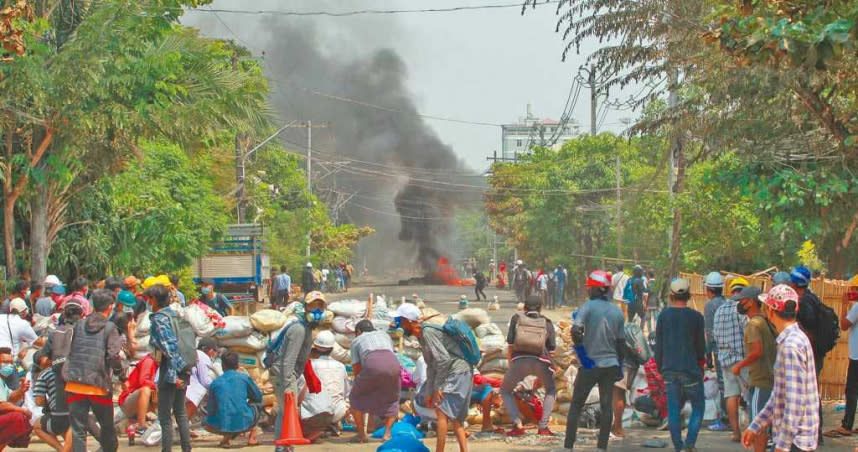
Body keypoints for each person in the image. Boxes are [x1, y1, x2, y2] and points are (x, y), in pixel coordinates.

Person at [741, 284, 819, 452]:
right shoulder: (796, 339)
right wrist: (755, 426)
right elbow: (779, 395)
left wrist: (782, 446)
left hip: (795, 441)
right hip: (795, 438)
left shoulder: (791, 346)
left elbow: (794, 403)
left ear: (769, 311)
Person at [556, 270, 624, 452]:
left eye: (589, 288)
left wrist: (583, 356)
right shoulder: (617, 311)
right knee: (606, 405)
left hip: (591, 364)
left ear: (596, 289)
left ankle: (568, 447)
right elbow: (621, 342)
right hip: (610, 365)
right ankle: (601, 448)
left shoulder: (587, 307)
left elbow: (576, 331)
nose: (587, 291)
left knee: (576, 404)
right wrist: (620, 365)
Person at [396, 302, 472, 452]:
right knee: (456, 419)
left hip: (457, 371)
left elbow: (443, 360)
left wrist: (439, 387)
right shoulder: (422, 337)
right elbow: (431, 366)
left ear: (408, 321)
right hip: (459, 372)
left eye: (400, 321)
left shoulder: (428, 333)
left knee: (442, 413)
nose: (399, 325)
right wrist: (430, 391)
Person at [63, 289, 124, 452]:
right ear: (110, 307)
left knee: (78, 430)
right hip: (98, 385)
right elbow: (114, 356)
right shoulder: (110, 328)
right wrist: (122, 376)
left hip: (74, 384)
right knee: (107, 428)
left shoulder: (79, 324)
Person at [269, 291, 326, 452]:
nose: (317, 312)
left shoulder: (306, 329)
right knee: (287, 410)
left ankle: (283, 447)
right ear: (305, 308)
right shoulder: (299, 329)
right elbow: (288, 359)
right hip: (284, 374)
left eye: (320, 308)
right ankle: (282, 448)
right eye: (313, 307)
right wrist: (288, 384)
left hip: (287, 374)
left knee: (285, 411)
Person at [655, 278, 706, 452]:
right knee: (698, 407)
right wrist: (701, 364)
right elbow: (701, 346)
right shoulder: (696, 317)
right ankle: (689, 444)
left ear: (671, 295)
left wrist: (660, 367)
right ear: (689, 295)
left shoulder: (663, 316)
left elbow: (659, 345)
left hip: (669, 370)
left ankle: (678, 446)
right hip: (691, 370)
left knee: (674, 409)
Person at [501, 297, 557, 436]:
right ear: (540, 308)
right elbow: (552, 350)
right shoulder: (547, 322)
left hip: (519, 361)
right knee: (551, 390)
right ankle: (543, 427)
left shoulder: (516, 318)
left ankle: (517, 425)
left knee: (505, 391)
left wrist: (512, 366)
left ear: (524, 308)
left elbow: (510, 345)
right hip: (541, 362)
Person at [147, 284, 192, 452]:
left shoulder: (159, 319)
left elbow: (170, 348)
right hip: (184, 366)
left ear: (154, 300)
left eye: (149, 298)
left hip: (171, 368)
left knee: (165, 417)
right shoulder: (175, 315)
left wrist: (174, 376)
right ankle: (186, 448)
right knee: (180, 412)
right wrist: (184, 371)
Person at [731, 285, 776, 452]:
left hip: (760, 380)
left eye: (742, 300)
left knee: (757, 425)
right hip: (769, 378)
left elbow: (757, 351)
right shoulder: (765, 321)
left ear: (751, 302)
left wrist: (739, 366)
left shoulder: (753, 325)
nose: (740, 304)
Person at [349, 319, 400, 442]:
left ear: (358, 331)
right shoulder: (385, 335)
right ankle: (387, 434)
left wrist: (360, 386)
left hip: (373, 363)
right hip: (394, 365)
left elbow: (357, 369)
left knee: (355, 398)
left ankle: (362, 435)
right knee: (392, 398)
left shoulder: (356, 340)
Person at [713, 278, 749, 442]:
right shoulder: (741, 310)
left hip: (725, 360)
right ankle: (751, 432)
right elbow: (747, 334)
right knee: (750, 396)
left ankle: (735, 433)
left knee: (731, 395)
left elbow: (715, 336)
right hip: (742, 361)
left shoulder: (720, 310)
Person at [204, 350, 262, 447]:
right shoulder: (244, 378)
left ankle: (226, 438)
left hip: (222, 425)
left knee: (206, 421)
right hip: (245, 422)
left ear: (222, 366)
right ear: (237, 364)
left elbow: (211, 409)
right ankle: (252, 437)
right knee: (258, 403)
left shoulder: (215, 382)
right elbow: (258, 396)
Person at [304, 331, 349, 438]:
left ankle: (315, 428)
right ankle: (332, 424)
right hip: (338, 412)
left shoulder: (310, 365)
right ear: (332, 349)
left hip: (316, 414)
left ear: (314, 348)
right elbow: (346, 392)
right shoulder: (341, 366)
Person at [701, 271, 730, 432]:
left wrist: (708, 356)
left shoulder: (710, 306)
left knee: (723, 384)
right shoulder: (726, 303)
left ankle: (724, 419)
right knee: (730, 384)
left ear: (709, 289)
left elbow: (709, 333)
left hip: (719, 351)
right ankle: (730, 417)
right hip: (731, 351)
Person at [831, 285, 858, 438]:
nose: (852, 292)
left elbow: (844, 325)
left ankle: (847, 425)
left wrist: (844, 305)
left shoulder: (856, 307)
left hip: (856, 356)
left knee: (852, 390)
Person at [118, 352, 158, 438]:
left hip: (141, 404)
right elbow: (143, 381)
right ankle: (141, 426)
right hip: (128, 401)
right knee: (146, 389)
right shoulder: (149, 361)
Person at [0, 347, 32, 450]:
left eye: (11, 362)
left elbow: (10, 398)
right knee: (17, 417)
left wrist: (21, 391)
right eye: (5, 362)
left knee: (27, 420)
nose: (9, 365)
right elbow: (2, 405)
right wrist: (22, 410)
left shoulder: (2, 381)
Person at [186, 338, 216, 421]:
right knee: (200, 392)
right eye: (214, 351)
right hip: (187, 384)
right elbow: (205, 381)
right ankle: (183, 423)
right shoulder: (204, 357)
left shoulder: (193, 352)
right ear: (210, 351)